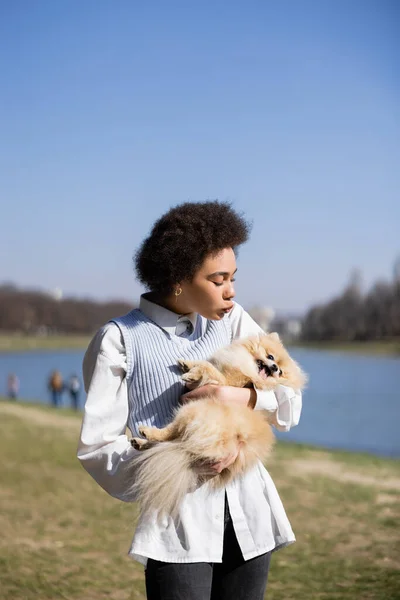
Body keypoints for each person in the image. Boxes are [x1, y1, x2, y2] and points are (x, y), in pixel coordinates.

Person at [77, 201, 303, 600]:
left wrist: (232, 394)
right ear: (180, 277)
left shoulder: (234, 321)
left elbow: (289, 403)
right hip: (179, 529)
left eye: (233, 278)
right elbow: (98, 448)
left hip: (252, 517)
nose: (231, 292)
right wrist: (174, 467)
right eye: (219, 280)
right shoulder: (118, 340)